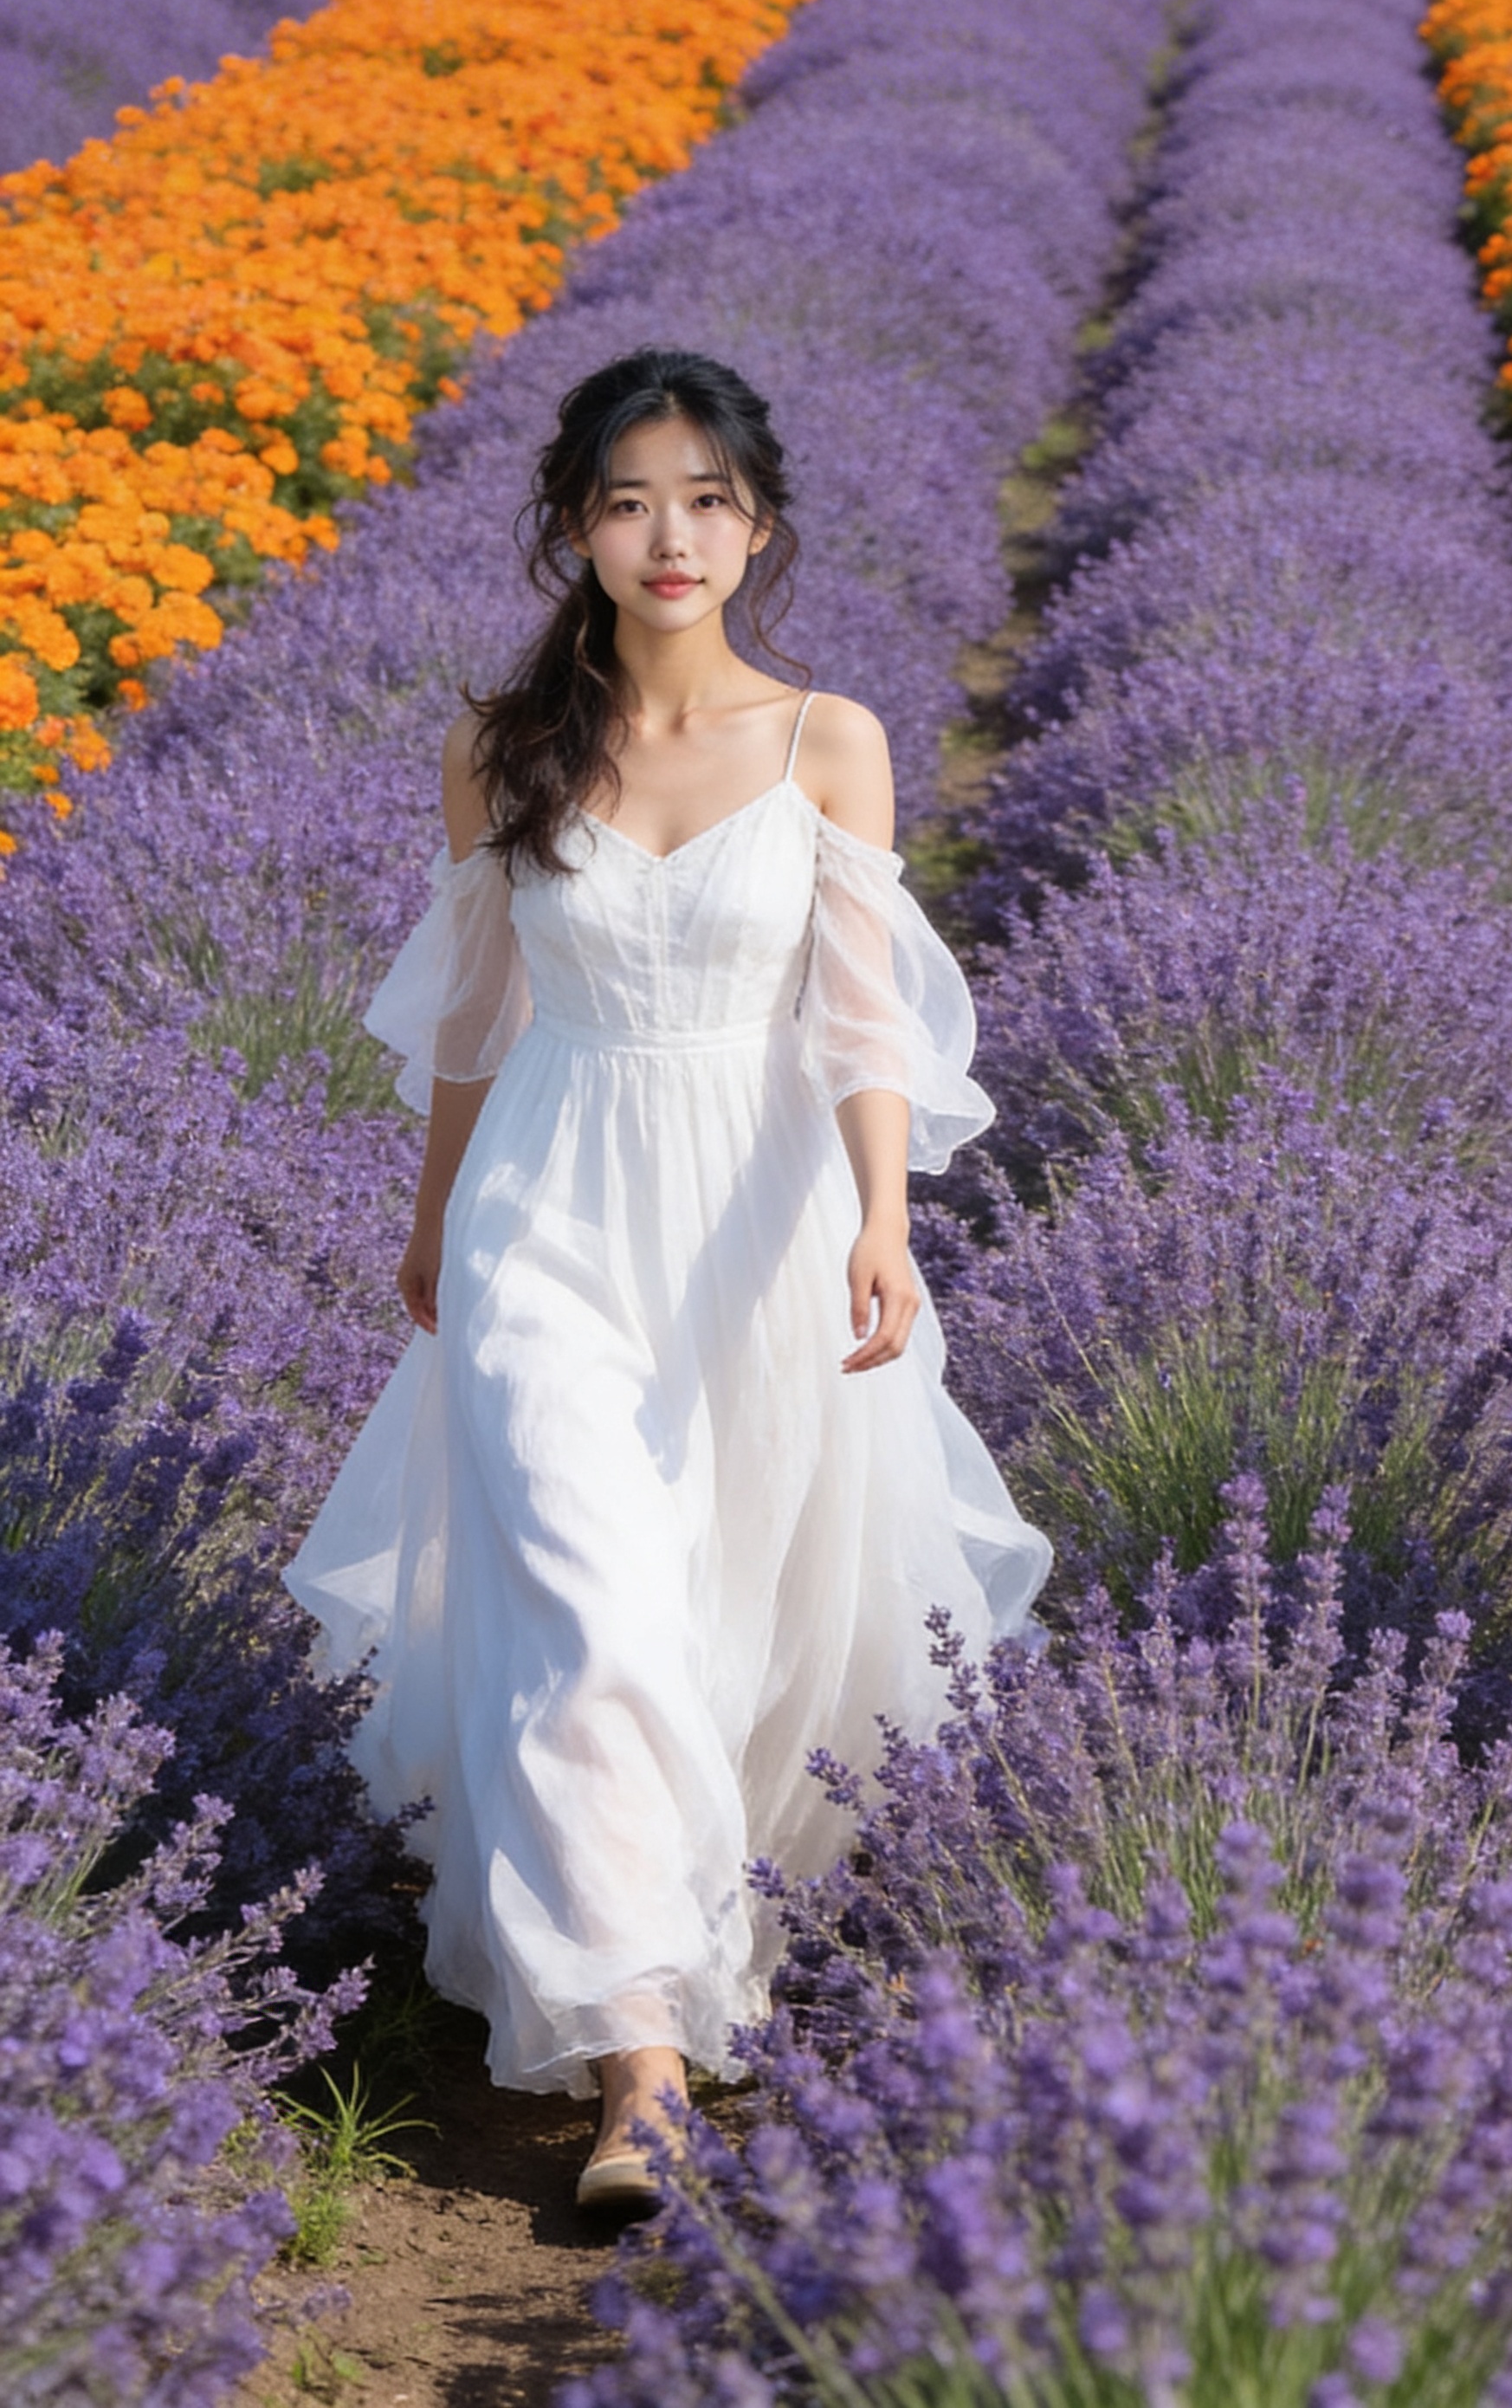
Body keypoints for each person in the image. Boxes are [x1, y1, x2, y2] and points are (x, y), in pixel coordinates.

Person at [286, 348, 1050, 2215]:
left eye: (706, 498)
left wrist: (885, 1216)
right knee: (590, 1603)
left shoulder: (827, 740)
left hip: (761, 1214)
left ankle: (698, 1931)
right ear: (573, 528)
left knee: (730, 1615)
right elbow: (475, 1015)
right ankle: (641, 2064)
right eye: (630, 499)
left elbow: (863, 1012)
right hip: (548, 1203)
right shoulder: (502, 745)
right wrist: (431, 1211)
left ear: (759, 523)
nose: (669, 533)